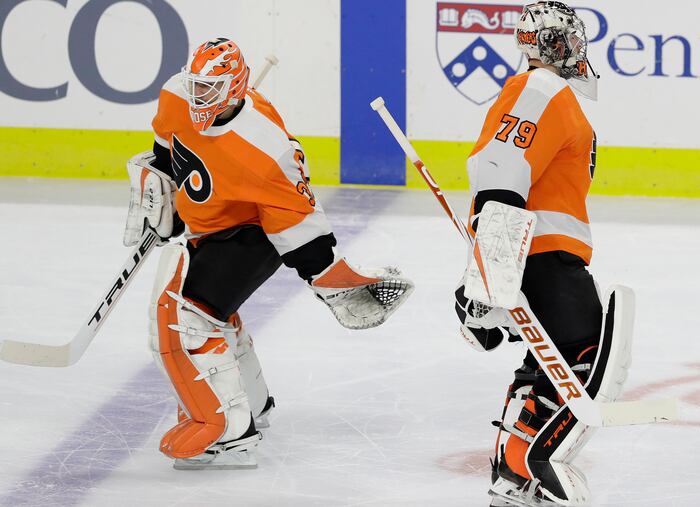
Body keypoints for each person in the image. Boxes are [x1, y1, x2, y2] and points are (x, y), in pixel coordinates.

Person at [122, 37, 413, 469]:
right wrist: (163, 191)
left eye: (210, 89)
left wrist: (326, 276)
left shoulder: (268, 147)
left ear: (235, 88)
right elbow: (168, 147)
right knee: (212, 314)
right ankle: (252, 406)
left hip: (254, 233)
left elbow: (300, 225)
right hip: (209, 228)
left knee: (188, 316)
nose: (198, 95)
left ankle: (227, 429)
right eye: (197, 84)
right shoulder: (175, 93)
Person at [454, 3, 632, 505]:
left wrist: (488, 268)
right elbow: (498, 167)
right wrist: (490, 271)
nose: (578, 50)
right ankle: (537, 462)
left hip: (537, 252)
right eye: (569, 40)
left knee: (546, 364)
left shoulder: (550, 94)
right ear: (554, 44)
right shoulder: (542, 88)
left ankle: (512, 475)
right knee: (583, 360)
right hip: (540, 253)